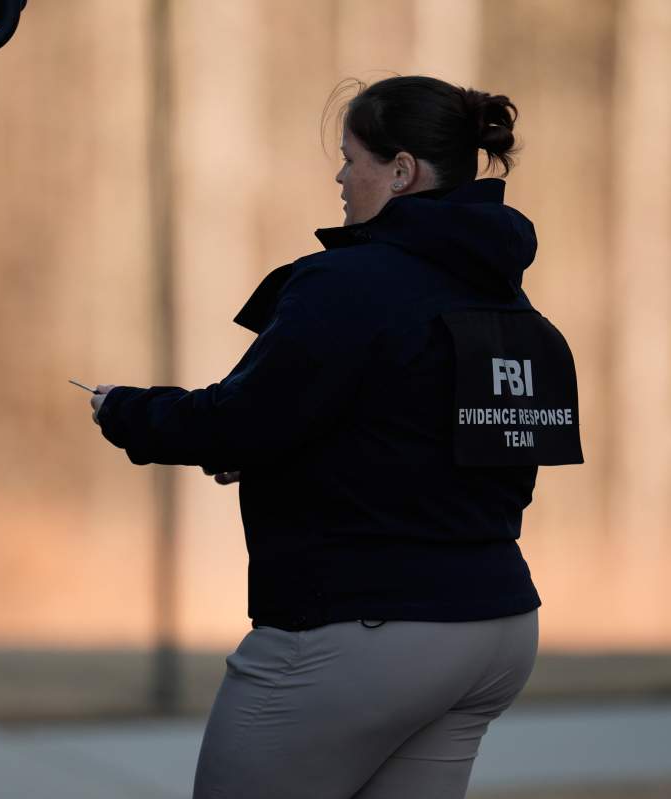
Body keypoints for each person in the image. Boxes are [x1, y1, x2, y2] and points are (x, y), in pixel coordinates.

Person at [88, 75, 582, 799]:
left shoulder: (347, 283)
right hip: (496, 625)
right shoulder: (511, 305)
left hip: (365, 629)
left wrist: (126, 410)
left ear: (403, 171)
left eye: (352, 157)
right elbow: (442, 452)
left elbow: (240, 419)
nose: (341, 175)